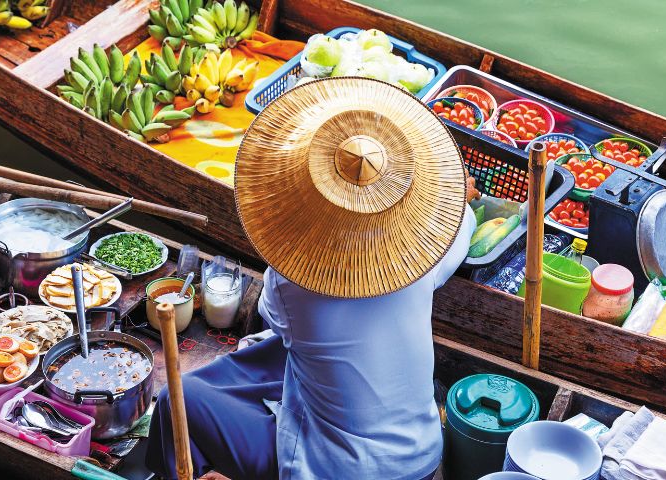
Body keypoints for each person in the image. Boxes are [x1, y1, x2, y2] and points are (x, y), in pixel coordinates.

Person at [147, 77, 479, 480]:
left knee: (176, 400)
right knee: (277, 355)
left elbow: (274, 317)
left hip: (333, 471)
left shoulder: (292, 286)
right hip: (421, 456)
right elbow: (462, 223)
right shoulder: (423, 256)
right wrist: (458, 198)